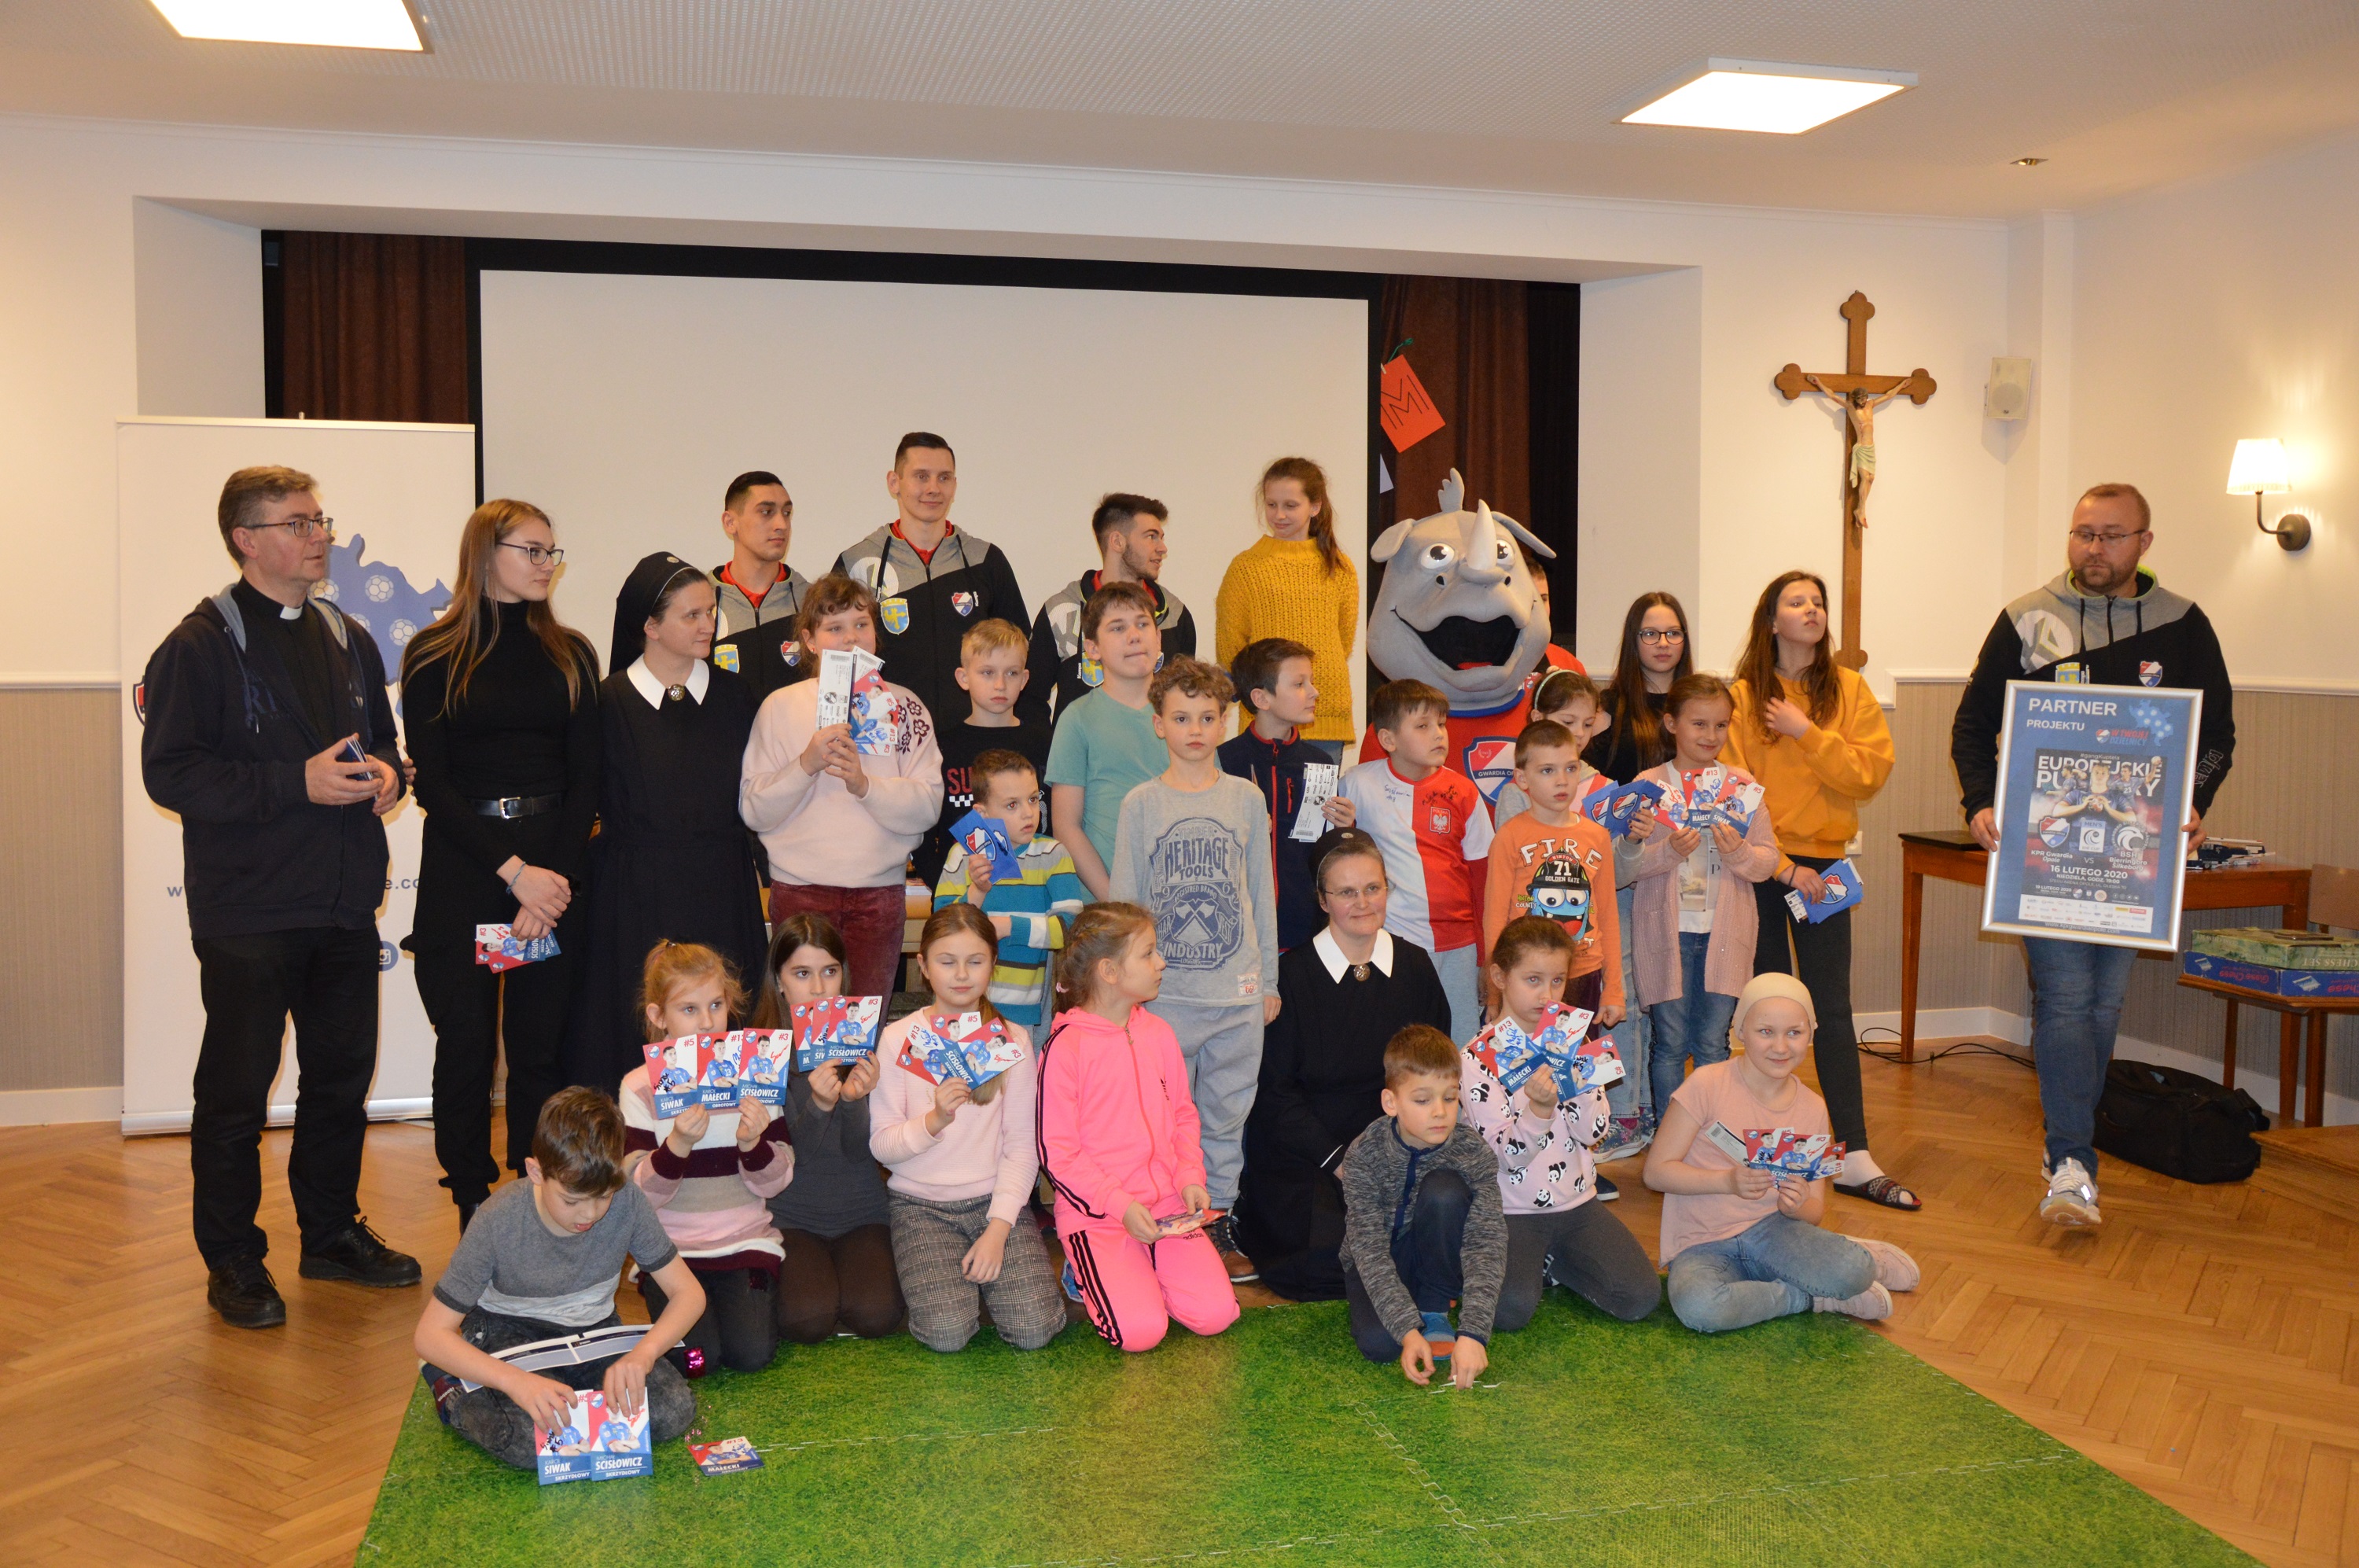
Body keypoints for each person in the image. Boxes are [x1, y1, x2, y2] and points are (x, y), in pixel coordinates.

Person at [139, 465, 419, 1327]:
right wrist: (293, 783)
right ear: (246, 540)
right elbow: (172, 772)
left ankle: (330, 1235)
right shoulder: (198, 645)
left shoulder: (347, 635)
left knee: (339, 1082)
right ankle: (232, 1259)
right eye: (298, 523)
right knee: (236, 1095)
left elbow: (383, 743)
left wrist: (388, 775)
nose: (319, 536)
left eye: (319, 520)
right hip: (249, 912)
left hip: (342, 903)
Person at [1950, 482, 2234, 1228]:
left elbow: (2217, 735)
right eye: (2083, 533)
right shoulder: (2027, 618)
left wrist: (2195, 801)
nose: (2094, 548)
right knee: (2068, 998)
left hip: (2135, 861)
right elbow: (1973, 726)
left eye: (2111, 535)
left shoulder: (2183, 624)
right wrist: (1979, 803)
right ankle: (2071, 1158)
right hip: (2046, 855)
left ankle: (2072, 1148)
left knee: (2103, 1005)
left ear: (2144, 542)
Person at [402, 499, 602, 1232]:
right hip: (468, 872)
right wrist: (514, 872)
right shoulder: (433, 653)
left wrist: (551, 883)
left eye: (553, 552)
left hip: (551, 878)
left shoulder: (571, 653)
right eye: (533, 551)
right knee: (465, 1046)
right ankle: (470, 1202)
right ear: (487, 554)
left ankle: (531, 1197)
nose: (547, 564)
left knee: (538, 1050)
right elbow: (434, 784)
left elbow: (587, 780)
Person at [1720, 571, 1912, 1212]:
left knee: (1830, 1005)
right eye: (1796, 601)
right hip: (1759, 868)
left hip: (1826, 867)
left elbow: (1868, 774)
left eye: (1818, 602)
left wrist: (1806, 731)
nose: (1812, 610)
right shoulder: (1744, 697)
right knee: (1766, 1009)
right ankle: (1764, 1145)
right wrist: (1780, 866)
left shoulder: (1849, 690)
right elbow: (1735, 792)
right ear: (1771, 620)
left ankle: (1853, 1151)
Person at [412, 1088, 702, 1468]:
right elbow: (430, 1335)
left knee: (673, 1411)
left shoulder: (628, 1201)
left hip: (593, 1332)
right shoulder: (497, 1220)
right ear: (536, 1172)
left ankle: (572, 1393)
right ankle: (450, 1389)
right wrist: (515, 1381)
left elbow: (688, 1294)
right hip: (508, 1332)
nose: (590, 1214)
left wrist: (643, 1355)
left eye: (604, 1196)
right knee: (529, 1440)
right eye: (571, 1200)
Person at [1110, 657, 1281, 1283]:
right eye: (1182, 718)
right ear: (1159, 724)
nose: (1195, 730)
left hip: (1235, 995)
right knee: (1161, 1120)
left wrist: (1268, 982)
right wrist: (1123, 991)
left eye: (1208, 718)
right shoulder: (1140, 805)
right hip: (1165, 998)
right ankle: (1164, 1221)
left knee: (1227, 1116)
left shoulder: (1246, 800)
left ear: (1224, 722)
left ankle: (1219, 1220)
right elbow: (1126, 901)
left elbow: (1261, 895)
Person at [569, 553, 767, 1089]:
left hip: (722, 888)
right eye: (692, 615)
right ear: (650, 627)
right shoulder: (606, 703)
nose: (708, 626)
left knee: (727, 1024)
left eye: (711, 613)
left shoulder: (736, 696)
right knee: (638, 1026)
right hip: (635, 895)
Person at [1235, 832, 1452, 1299]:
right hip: (1313, 1153)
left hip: (1397, 1142)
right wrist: (1339, 1161)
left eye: (1373, 888)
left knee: (1437, 1232)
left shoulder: (1415, 967)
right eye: (1346, 892)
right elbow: (1275, 1094)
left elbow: (1436, 1072)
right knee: (1324, 1262)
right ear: (1322, 900)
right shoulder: (1291, 978)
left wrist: (1400, 1149)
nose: (1362, 903)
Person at [1643, 976, 1919, 1334]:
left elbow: (1813, 1212)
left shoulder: (1813, 1108)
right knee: (1701, 1307)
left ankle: (1858, 1264)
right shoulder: (1706, 1084)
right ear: (1740, 1032)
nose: (1780, 1046)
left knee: (1855, 1270)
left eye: (1794, 1033)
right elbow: (1656, 1173)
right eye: (1765, 1031)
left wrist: (1797, 1205)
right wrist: (1727, 1181)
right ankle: (1813, 1297)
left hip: (1775, 1232)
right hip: (1702, 1243)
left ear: (1811, 1034)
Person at [1038, 903, 1242, 1352]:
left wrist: (1189, 1177)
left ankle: (1144, 1269)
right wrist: (1121, 1205)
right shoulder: (1066, 1048)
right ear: (1109, 971)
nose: (1161, 963)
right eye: (1148, 953)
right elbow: (1058, 1155)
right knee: (1140, 1333)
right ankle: (1086, 1268)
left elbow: (1184, 1115)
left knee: (1217, 1315)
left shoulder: (1159, 1033)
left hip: (1168, 1209)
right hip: (1102, 1217)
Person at [867, 905, 1067, 1353]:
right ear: (923, 965)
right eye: (947, 961)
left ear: (993, 964)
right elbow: (882, 1146)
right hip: (919, 1206)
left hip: (994, 1201)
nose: (961, 974)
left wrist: (998, 1230)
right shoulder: (898, 1038)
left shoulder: (1012, 1039)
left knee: (1035, 1329)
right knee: (947, 1334)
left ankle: (984, 1279)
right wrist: (934, 1120)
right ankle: (951, 1286)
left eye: (975, 961)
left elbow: (1022, 1146)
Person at [740, 572, 944, 1002]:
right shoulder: (780, 707)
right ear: (810, 641)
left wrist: (864, 785)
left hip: (879, 894)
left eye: (861, 624)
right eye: (834, 628)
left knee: (862, 1026)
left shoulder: (905, 706)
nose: (851, 637)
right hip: (800, 892)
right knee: (805, 1026)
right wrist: (806, 764)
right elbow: (754, 810)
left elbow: (927, 806)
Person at [1463, 918, 1660, 1330]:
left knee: (1639, 1298)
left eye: (1557, 981)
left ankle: (1555, 1263)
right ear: (1500, 977)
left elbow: (1595, 1133)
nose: (1547, 995)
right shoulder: (1477, 1058)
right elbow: (1505, 1159)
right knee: (1508, 1312)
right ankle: (1531, 1262)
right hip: (1510, 1210)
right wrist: (1538, 1111)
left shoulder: (1574, 1038)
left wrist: (1576, 1087)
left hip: (1576, 1204)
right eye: (1532, 979)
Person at [620, 942, 791, 1374]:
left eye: (716, 1005)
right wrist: (677, 1145)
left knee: (751, 1355)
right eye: (689, 1009)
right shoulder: (639, 1086)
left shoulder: (755, 1074)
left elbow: (778, 1182)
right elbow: (636, 1197)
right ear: (659, 1016)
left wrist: (752, 1145)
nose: (707, 1022)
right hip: (671, 1253)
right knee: (698, 1362)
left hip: (745, 1242)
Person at [1478, 716, 1628, 1183]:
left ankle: (1583, 1161)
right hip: (1526, 982)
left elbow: (1608, 915)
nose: (1561, 781)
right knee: (1526, 1073)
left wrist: (1615, 989)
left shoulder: (1596, 836)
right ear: (1521, 780)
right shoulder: (1510, 836)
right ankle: (1527, 1161)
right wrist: (1495, 992)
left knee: (1579, 1074)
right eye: (1547, 771)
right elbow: (1495, 919)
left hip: (1582, 975)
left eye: (1570, 768)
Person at [1626, 674, 1781, 1108]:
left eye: (1721, 725)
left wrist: (1739, 853)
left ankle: (1713, 1132)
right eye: (1699, 724)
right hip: (1666, 934)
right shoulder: (1649, 785)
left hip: (1724, 933)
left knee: (1714, 1043)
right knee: (1670, 1043)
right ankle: (1670, 1133)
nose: (1711, 735)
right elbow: (1628, 867)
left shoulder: (1741, 786)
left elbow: (1768, 860)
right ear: (1671, 723)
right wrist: (1668, 852)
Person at [749, 915, 905, 1344]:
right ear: (779, 982)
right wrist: (818, 1106)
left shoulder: (865, 1043)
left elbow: (861, 1154)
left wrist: (853, 1102)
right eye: (802, 974)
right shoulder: (763, 1054)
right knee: (807, 1319)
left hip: (861, 1213)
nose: (819, 988)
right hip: (791, 1216)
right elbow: (782, 1162)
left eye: (830, 972)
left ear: (843, 976)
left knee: (877, 1315)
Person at [1337, 1024, 1505, 1387]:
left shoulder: (1473, 1152)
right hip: (1380, 1259)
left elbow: (1486, 1241)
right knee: (1381, 1345)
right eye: (1423, 1100)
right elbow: (1368, 1249)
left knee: (1444, 1189)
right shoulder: (1364, 1154)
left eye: (1450, 1097)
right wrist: (1407, 1330)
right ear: (1391, 1103)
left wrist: (1474, 1334)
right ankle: (1413, 1309)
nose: (1440, 1112)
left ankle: (1434, 1303)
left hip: (1436, 1254)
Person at [833, 433, 1029, 738]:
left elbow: (1019, 652)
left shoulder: (985, 561)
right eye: (921, 476)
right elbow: (835, 661)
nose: (934, 488)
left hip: (974, 741)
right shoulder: (857, 565)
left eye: (944, 478)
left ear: (955, 486)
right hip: (888, 740)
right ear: (894, 483)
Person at [1339, 679, 1494, 1042]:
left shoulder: (1464, 792)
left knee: (1459, 1043)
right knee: (1397, 1041)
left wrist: (1485, 954)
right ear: (1388, 739)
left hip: (1459, 944)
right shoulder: (1357, 784)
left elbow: (1483, 877)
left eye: (1441, 724)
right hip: (1392, 940)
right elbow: (1339, 864)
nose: (1439, 734)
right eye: (1423, 726)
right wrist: (1344, 829)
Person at [933, 747, 1086, 1032]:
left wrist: (1007, 927)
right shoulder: (962, 855)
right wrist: (977, 892)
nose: (1028, 813)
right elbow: (940, 931)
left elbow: (1071, 929)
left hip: (1023, 1013)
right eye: (1012, 805)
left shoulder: (1052, 854)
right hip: (962, 1008)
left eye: (1033, 799)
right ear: (982, 813)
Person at [1220, 636, 1356, 953]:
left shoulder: (1320, 763)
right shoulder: (1224, 762)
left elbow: (1327, 855)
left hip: (1305, 931)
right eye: (1299, 684)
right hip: (1239, 930)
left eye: (1311, 681)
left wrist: (1344, 829)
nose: (1314, 692)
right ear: (1261, 698)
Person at [1215, 456, 1359, 757]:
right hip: (1266, 717)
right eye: (1272, 505)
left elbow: (1342, 642)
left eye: (1290, 505)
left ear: (1315, 507)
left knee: (1318, 792)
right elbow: (1231, 649)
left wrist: (1304, 682)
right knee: (1262, 790)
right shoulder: (1246, 567)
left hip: (1324, 713)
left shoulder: (1339, 567)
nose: (1279, 515)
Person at [1022, 492, 1197, 728]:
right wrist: (1055, 749)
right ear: (1117, 542)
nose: (1162, 548)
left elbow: (1185, 703)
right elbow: (1031, 701)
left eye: (1161, 538)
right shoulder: (1062, 611)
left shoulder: (1175, 615)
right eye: (1151, 537)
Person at [1043, 581, 1166, 898]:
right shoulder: (1078, 718)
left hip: (1179, 898)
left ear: (1158, 638)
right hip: (1105, 904)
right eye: (1117, 628)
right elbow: (1066, 827)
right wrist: (1114, 900)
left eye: (1143, 624)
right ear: (1093, 649)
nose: (1134, 635)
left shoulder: (1185, 715)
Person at [915, 617, 1051, 892]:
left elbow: (1055, 826)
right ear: (964, 678)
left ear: (1024, 679)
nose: (1000, 684)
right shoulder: (940, 748)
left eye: (1011, 673)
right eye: (987, 673)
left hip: (1034, 895)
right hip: (962, 898)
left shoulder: (1044, 743)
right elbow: (921, 838)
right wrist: (949, 889)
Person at [709, 470, 813, 702]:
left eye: (787, 513)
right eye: (766, 512)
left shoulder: (811, 600)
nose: (782, 524)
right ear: (730, 522)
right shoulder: (702, 604)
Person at [1584, 592, 1692, 786]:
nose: (1663, 643)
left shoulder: (1700, 704)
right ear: (1633, 640)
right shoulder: (1606, 709)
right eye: (1650, 634)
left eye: (1673, 633)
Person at [1489, 668, 1609, 830]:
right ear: (1538, 719)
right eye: (1568, 722)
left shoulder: (1601, 787)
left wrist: (1630, 840)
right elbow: (1510, 845)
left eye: (1588, 724)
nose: (1580, 733)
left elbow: (1611, 845)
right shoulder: (1519, 792)